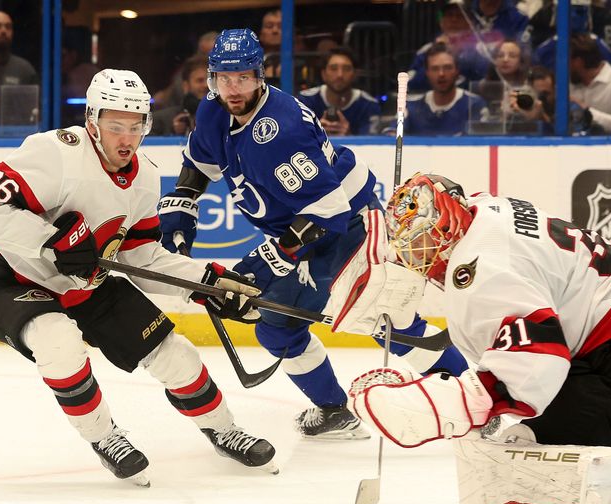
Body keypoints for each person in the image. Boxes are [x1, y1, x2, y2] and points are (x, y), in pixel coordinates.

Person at [347, 173, 611, 504]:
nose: (414, 255)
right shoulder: (485, 209)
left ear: (448, 225)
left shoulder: (481, 270)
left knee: (517, 449)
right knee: (519, 423)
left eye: (422, 240)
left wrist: (436, 407)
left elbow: (536, 366)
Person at [0, 68, 278, 486]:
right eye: (115, 126)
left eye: (136, 126)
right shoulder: (55, 153)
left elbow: (142, 256)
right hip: (14, 280)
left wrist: (207, 282)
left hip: (87, 281)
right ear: (92, 121)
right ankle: (105, 437)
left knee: (175, 353)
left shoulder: (145, 177)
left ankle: (223, 428)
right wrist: (49, 242)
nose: (126, 138)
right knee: (58, 342)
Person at [158, 29, 468, 440]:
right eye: (223, 78)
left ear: (260, 75)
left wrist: (277, 256)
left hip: (348, 225)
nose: (233, 89)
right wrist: (184, 200)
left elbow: (328, 212)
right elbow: (200, 161)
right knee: (277, 327)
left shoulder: (282, 131)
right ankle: (334, 412)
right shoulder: (214, 110)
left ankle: (475, 397)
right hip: (301, 230)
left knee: (385, 320)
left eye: (244, 78)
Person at [406, 43, 489, 136]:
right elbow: (392, 137)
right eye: (435, 69)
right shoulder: (411, 107)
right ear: (427, 73)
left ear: (457, 70)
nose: (441, 74)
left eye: (447, 68)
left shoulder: (474, 105)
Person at [296, 47, 381, 136]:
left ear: (355, 74)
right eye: (333, 68)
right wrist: (318, 134)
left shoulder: (368, 105)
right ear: (323, 74)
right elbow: (294, 139)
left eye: (346, 69)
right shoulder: (304, 101)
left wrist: (349, 137)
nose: (340, 75)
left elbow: (372, 146)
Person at [569, 33, 611, 135]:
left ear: (578, 62)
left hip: (610, 147)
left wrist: (586, 112)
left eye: (566, 62)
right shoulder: (568, 83)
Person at [533, 0, 611, 69]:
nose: (573, 16)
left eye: (579, 12)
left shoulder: (601, 48)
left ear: (588, 14)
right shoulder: (544, 51)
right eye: (568, 11)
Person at [150, 55, 208, 136]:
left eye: (209, 80)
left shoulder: (225, 117)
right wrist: (173, 133)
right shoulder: (159, 120)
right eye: (200, 80)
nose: (206, 85)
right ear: (186, 86)